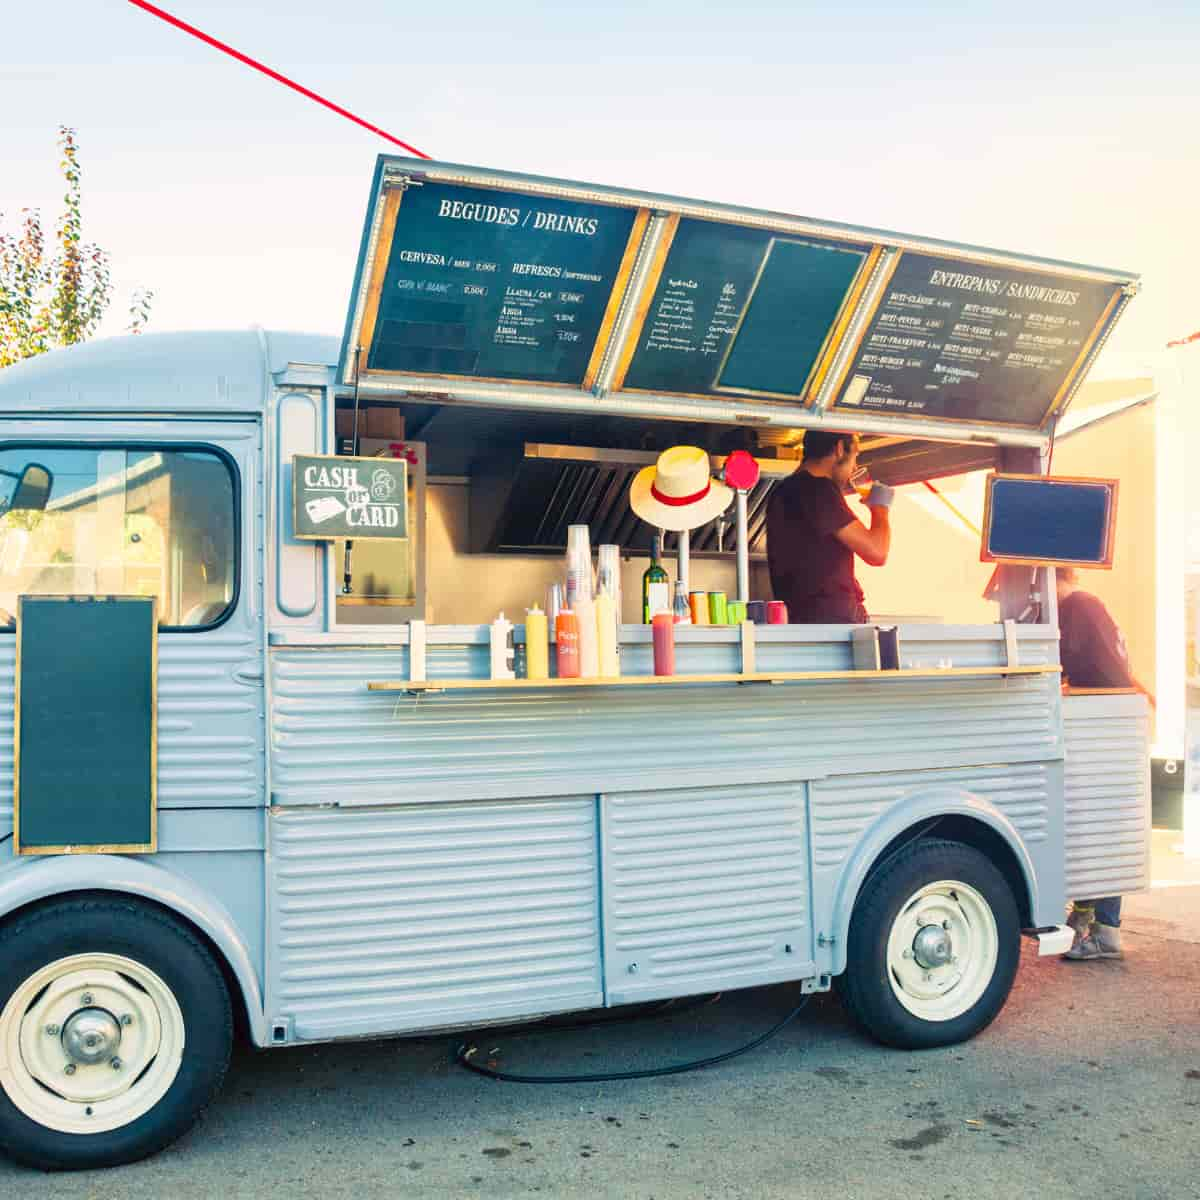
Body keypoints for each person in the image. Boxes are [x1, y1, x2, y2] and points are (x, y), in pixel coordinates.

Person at [1057, 565, 1155, 962]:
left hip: (1103, 726)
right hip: (1116, 722)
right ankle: (1088, 918)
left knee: (1095, 821)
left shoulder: (1075, 607)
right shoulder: (1090, 604)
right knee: (1101, 822)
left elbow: (1059, 667)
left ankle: (1106, 932)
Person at [766, 430, 893, 623]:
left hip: (804, 621)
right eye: (855, 456)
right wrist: (880, 508)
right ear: (840, 448)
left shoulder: (785, 490)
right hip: (830, 624)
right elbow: (876, 552)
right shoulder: (817, 489)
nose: (855, 467)